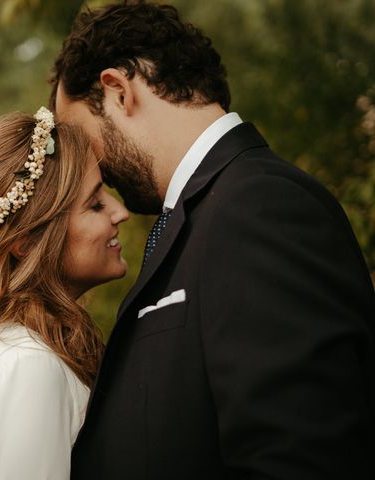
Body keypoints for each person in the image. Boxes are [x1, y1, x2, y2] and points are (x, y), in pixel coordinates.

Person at [51, 2, 375, 479]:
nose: (91, 170)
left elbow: (300, 456)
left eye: (82, 139)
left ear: (118, 90)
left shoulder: (261, 206)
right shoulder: (207, 212)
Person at [0, 108, 129, 479]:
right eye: (95, 204)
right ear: (28, 241)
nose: (120, 212)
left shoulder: (13, 345)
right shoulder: (25, 366)